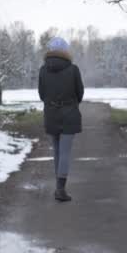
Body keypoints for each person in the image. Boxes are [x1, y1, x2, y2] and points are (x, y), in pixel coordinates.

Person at [38, 37, 84, 202]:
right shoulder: (73, 69)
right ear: (65, 51)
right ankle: (60, 189)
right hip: (69, 114)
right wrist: (70, 104)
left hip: (51, 114)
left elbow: (41, 94)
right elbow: (80, 94)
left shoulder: (43, 70)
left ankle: (59, 188)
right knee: (64, 152)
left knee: (57, 151)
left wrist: (52, 104)